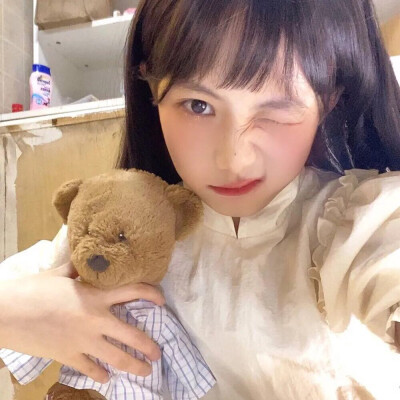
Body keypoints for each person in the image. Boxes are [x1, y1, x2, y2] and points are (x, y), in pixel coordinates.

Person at [1, 0, 400, 398]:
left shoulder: (352, 219)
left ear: (328, 100)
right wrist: (15, 313)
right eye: (198, 105)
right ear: (151, 88)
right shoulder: (131, 218)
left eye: (277, 109)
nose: (233, 159)